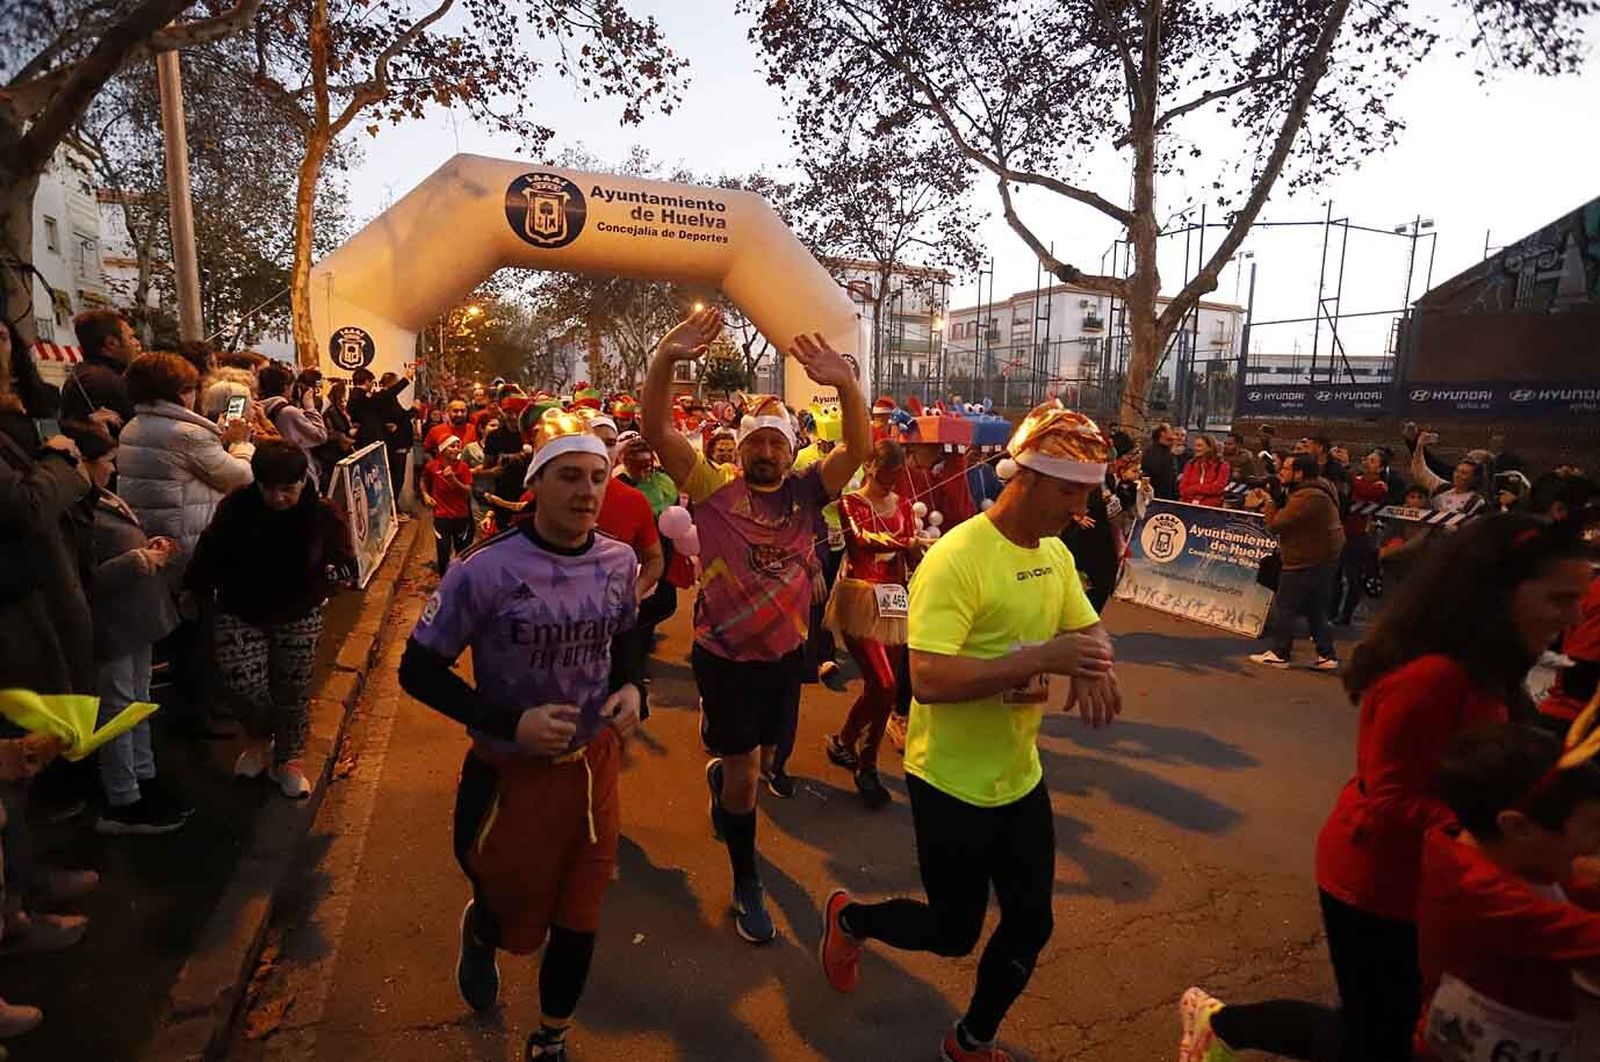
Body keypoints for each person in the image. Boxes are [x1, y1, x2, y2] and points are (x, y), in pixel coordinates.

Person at [1179, 514, 1593, 1062]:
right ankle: (1221, 1021)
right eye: (1559, 598)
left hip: (1429, 878)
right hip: (1377, 882)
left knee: (1388, 1028)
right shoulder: (1433, 675)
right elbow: (1389, 799)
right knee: (1376, 1036)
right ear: (1500, 593)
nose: (1576, 616)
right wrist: (1489, 832)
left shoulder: (1490, 664)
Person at [819, 401, 1122, 1062]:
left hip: (1019, 776)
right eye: (1069, 492)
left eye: (1087, 495)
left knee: (1031, 922)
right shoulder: (957, 558)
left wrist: (1096, 659)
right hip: (949, 779)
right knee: (954, 933)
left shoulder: (1054, 553)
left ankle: (970, 1040)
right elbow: (926, 679)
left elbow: (1085, 622)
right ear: (1027, 477)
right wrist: (1043, 657)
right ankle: (851, 919)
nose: (1078, 509)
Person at [397, 410, 642, 1062]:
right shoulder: (484, 569)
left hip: (594, 767)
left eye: (597, 476)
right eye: (569, 477)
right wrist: (511, 723)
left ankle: (551, 1038)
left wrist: (631, 688)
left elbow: (625, 639)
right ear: (537, 484)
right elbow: (417, 671)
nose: (587, 491)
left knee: (581, 912)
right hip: (508, 773)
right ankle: (482, 933)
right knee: (511, 913)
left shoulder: (618, 560)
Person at [641, 307, 869, 944]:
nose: (766, 452)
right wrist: (665, 356)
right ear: (738, 450)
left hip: (785, 656)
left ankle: (728, 780)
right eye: (754, 443)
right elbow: (657, 427)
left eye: (776, 442)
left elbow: (859, 448)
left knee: (767, 756)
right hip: (724, 658)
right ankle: (747, 881)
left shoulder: (807, 492)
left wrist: (846, 385)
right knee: (745, 776)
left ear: (790, 449)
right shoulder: (711, 487)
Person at [1405, 722, 1600, 1061]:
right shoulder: (1483, 895)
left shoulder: (1473, 847)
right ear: (1518, 826)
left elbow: (1560, 883)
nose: (1596, 844)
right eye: (1594, 827)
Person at [186, 441, 354, 799]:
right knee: (241, 682)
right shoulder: (236, 507)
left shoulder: (322, 513)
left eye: (287, 490)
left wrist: (332, 577)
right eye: (269, 488)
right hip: (240, 608)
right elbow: (210, 550)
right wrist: (195, 587)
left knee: (291, 688)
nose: (278, 498)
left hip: (298, 611)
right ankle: (259, 739)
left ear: (302, 482)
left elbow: (344, 559)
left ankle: (290, 758)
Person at [74, 425, 189, 833]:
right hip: (113, 623)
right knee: (118, 708)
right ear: (82, 465)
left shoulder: (102, 497)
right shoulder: (73, 512)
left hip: (137, 617)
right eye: (105, 461)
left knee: (138, 698)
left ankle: (144, 776)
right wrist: (142, 559)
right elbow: (82, 579)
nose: (113, 466)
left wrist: (150, 545)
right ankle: (122, 796)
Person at [822, 439, 920, 807]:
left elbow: (908, 554)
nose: (891, 485)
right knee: (883, 681)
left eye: (897, 477)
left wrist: (914, 549)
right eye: (885, 476)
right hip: (861, 598)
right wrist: (906, 541)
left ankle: (851, 745)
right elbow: (861, 542)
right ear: (870, 468)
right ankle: (864, 759)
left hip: (894, 599)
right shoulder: (850, 503)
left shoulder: (905, 505)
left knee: (888, 689)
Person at [115, 353, 254, 570]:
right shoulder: (188, 434)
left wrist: (219, 441)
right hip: (189, 539)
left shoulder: (132, 426)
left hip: (152, 535)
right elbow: (240, 479)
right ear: (181, 392)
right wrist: (241, 444)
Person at [1247, 455, 1345, 670]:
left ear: (1299, 473)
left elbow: (1276, 524)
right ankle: (1326, 655)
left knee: (1286, 606)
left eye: (1287, 469)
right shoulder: (1318, 488)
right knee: (1315, 608)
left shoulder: (1308, 497)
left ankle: (1280, 653)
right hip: (1321, 558)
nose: (1281, 471)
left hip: (1305, 560)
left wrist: (1269, 502)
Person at [1335, 450, 1392, 626]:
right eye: (1367, 458)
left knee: (1353, 577)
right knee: (1334, 575)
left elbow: (1364, 492)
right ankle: (1330, 612)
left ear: (1381, 468)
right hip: (1341, 531)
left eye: (1373, 461)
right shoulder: (1354, 478)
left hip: (1360, 536)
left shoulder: (1380, 486)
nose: (1367, 462)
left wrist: (1346, 468)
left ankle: (1346, 614)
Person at [61, 308, 140, 432]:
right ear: (111, 343)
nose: (137, 343)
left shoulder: (82, 374)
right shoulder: (107, 382)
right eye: (131, 337)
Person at [257, 362, 327, 472]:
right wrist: (310, 408)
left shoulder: (258, 408)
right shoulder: (288, 412)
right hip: (294, 468)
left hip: (271, 468)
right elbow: (320, 436)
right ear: (286, 386)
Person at [422, 436, 474, 575]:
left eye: (458, 446)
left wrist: (453, 479)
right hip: (441, 515)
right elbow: (423, 480)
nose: (456, 449)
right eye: (452, 446)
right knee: (443, 550)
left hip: (460, 515)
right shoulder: (432, 466)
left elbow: (467, 491)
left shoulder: (463, 467)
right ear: (442, 449)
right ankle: (444, 582)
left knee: (462, 552)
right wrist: (425, 494)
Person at [1411, 432, 1488, 515]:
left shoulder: (1476, 501)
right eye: (1457, 471)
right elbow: (1421, 473)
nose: (1457, 475)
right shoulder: (1443, 488)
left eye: (1464, 473)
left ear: (1474, 478)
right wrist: (1419, 446)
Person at [312, 379, 356, 491]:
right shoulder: (329, 409)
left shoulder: (333, 408)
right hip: (333, 452)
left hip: (335, 451)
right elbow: (339, 428)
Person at [1178, 433, 1228, 508]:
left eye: (1199, 446)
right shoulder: (1190, 464)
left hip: (1211, 509)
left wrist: (1194, 488)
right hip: (1188, 506)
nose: (1195, 448)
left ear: (1210, 447)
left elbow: (1218, 488)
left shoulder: (1222, 466)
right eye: (1195, 445)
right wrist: (1194, 499)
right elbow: (1182, 489)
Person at [1141, 423, 1178, 500]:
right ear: (1163, 433)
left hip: (1170, 494)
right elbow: (1157, 471)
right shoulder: (1152, 452)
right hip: (1159, 494)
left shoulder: (1169, 450)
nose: (1172, 432)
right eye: (1170, 429)